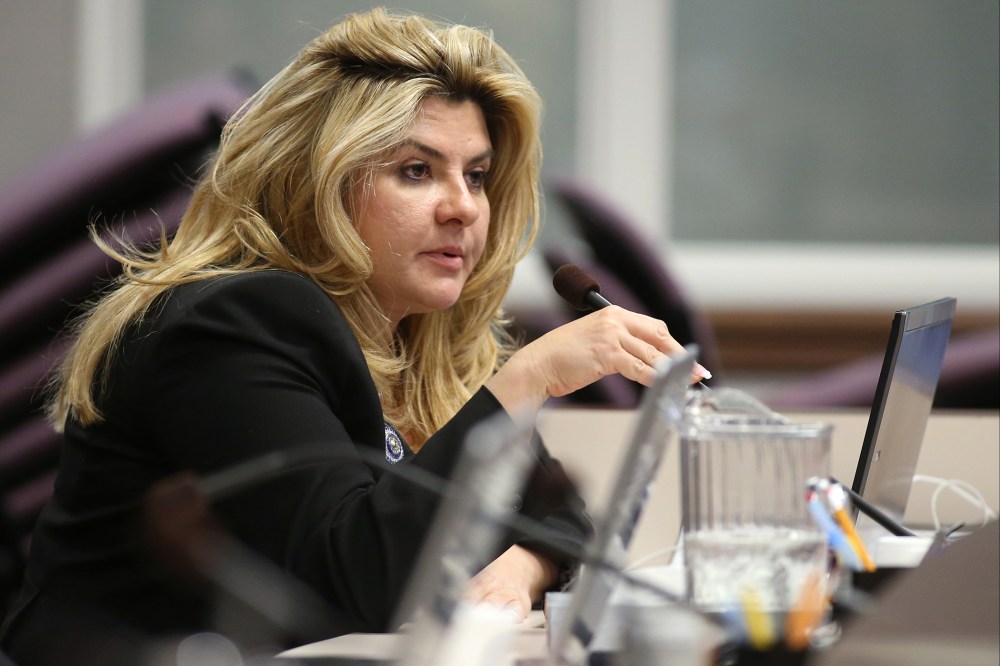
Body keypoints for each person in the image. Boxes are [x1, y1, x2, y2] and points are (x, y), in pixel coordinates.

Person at [1, 7, 702, 663]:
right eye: (416, 171)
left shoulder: (423, 344)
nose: (463, 207)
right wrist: (527, 380)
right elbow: (354, 581)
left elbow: (562, 517)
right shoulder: (235, 322)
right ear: (318, 185)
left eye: (477, 175)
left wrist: (520, 569)